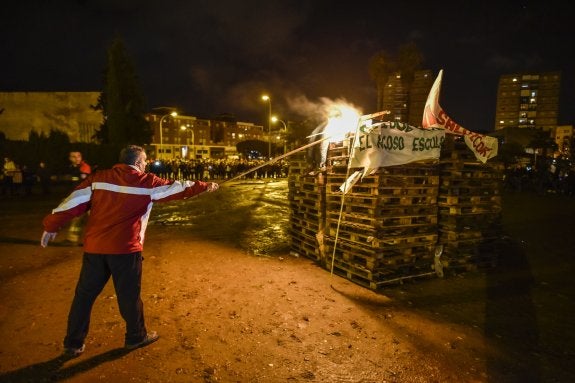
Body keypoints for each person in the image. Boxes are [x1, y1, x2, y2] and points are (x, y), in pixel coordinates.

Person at [40, 145, 219, 357]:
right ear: (137, 162)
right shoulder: (147, 182)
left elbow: (72, 203)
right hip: (126, 250)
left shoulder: (98, 179)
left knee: (84, 297)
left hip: (95, 250)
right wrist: (206, 186)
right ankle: (136, 336)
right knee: (128, 296)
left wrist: (51, 226)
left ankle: (73, 343)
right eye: (144, 162)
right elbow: (180, 188)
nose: (145, 165)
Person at [66, 151, 92, 244]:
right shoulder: (72, 168)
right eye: (74, 156)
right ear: (70, 158)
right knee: (77, 219)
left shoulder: (84, 168)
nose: (76, 158)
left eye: (78, 156)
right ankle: (72, 239)